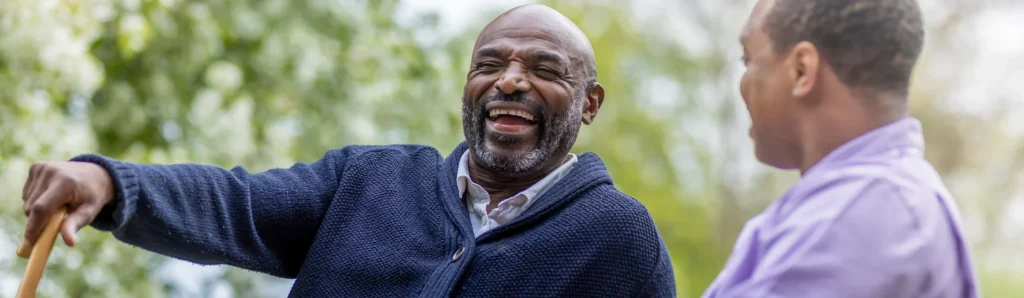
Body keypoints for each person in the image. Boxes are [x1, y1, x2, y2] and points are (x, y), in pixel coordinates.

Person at [18, 4, 675, 297]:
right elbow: (238, 203)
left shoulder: (619, 242)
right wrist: (107, 183)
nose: (509, 80)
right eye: (490, 63)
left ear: (589, 104)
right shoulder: (369, 180)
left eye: (544, 68)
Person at [703, 0, 981, 297]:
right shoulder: (884, 196)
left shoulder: (860, 214)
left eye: (748, 59)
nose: (742, 83)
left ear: (802, 70)